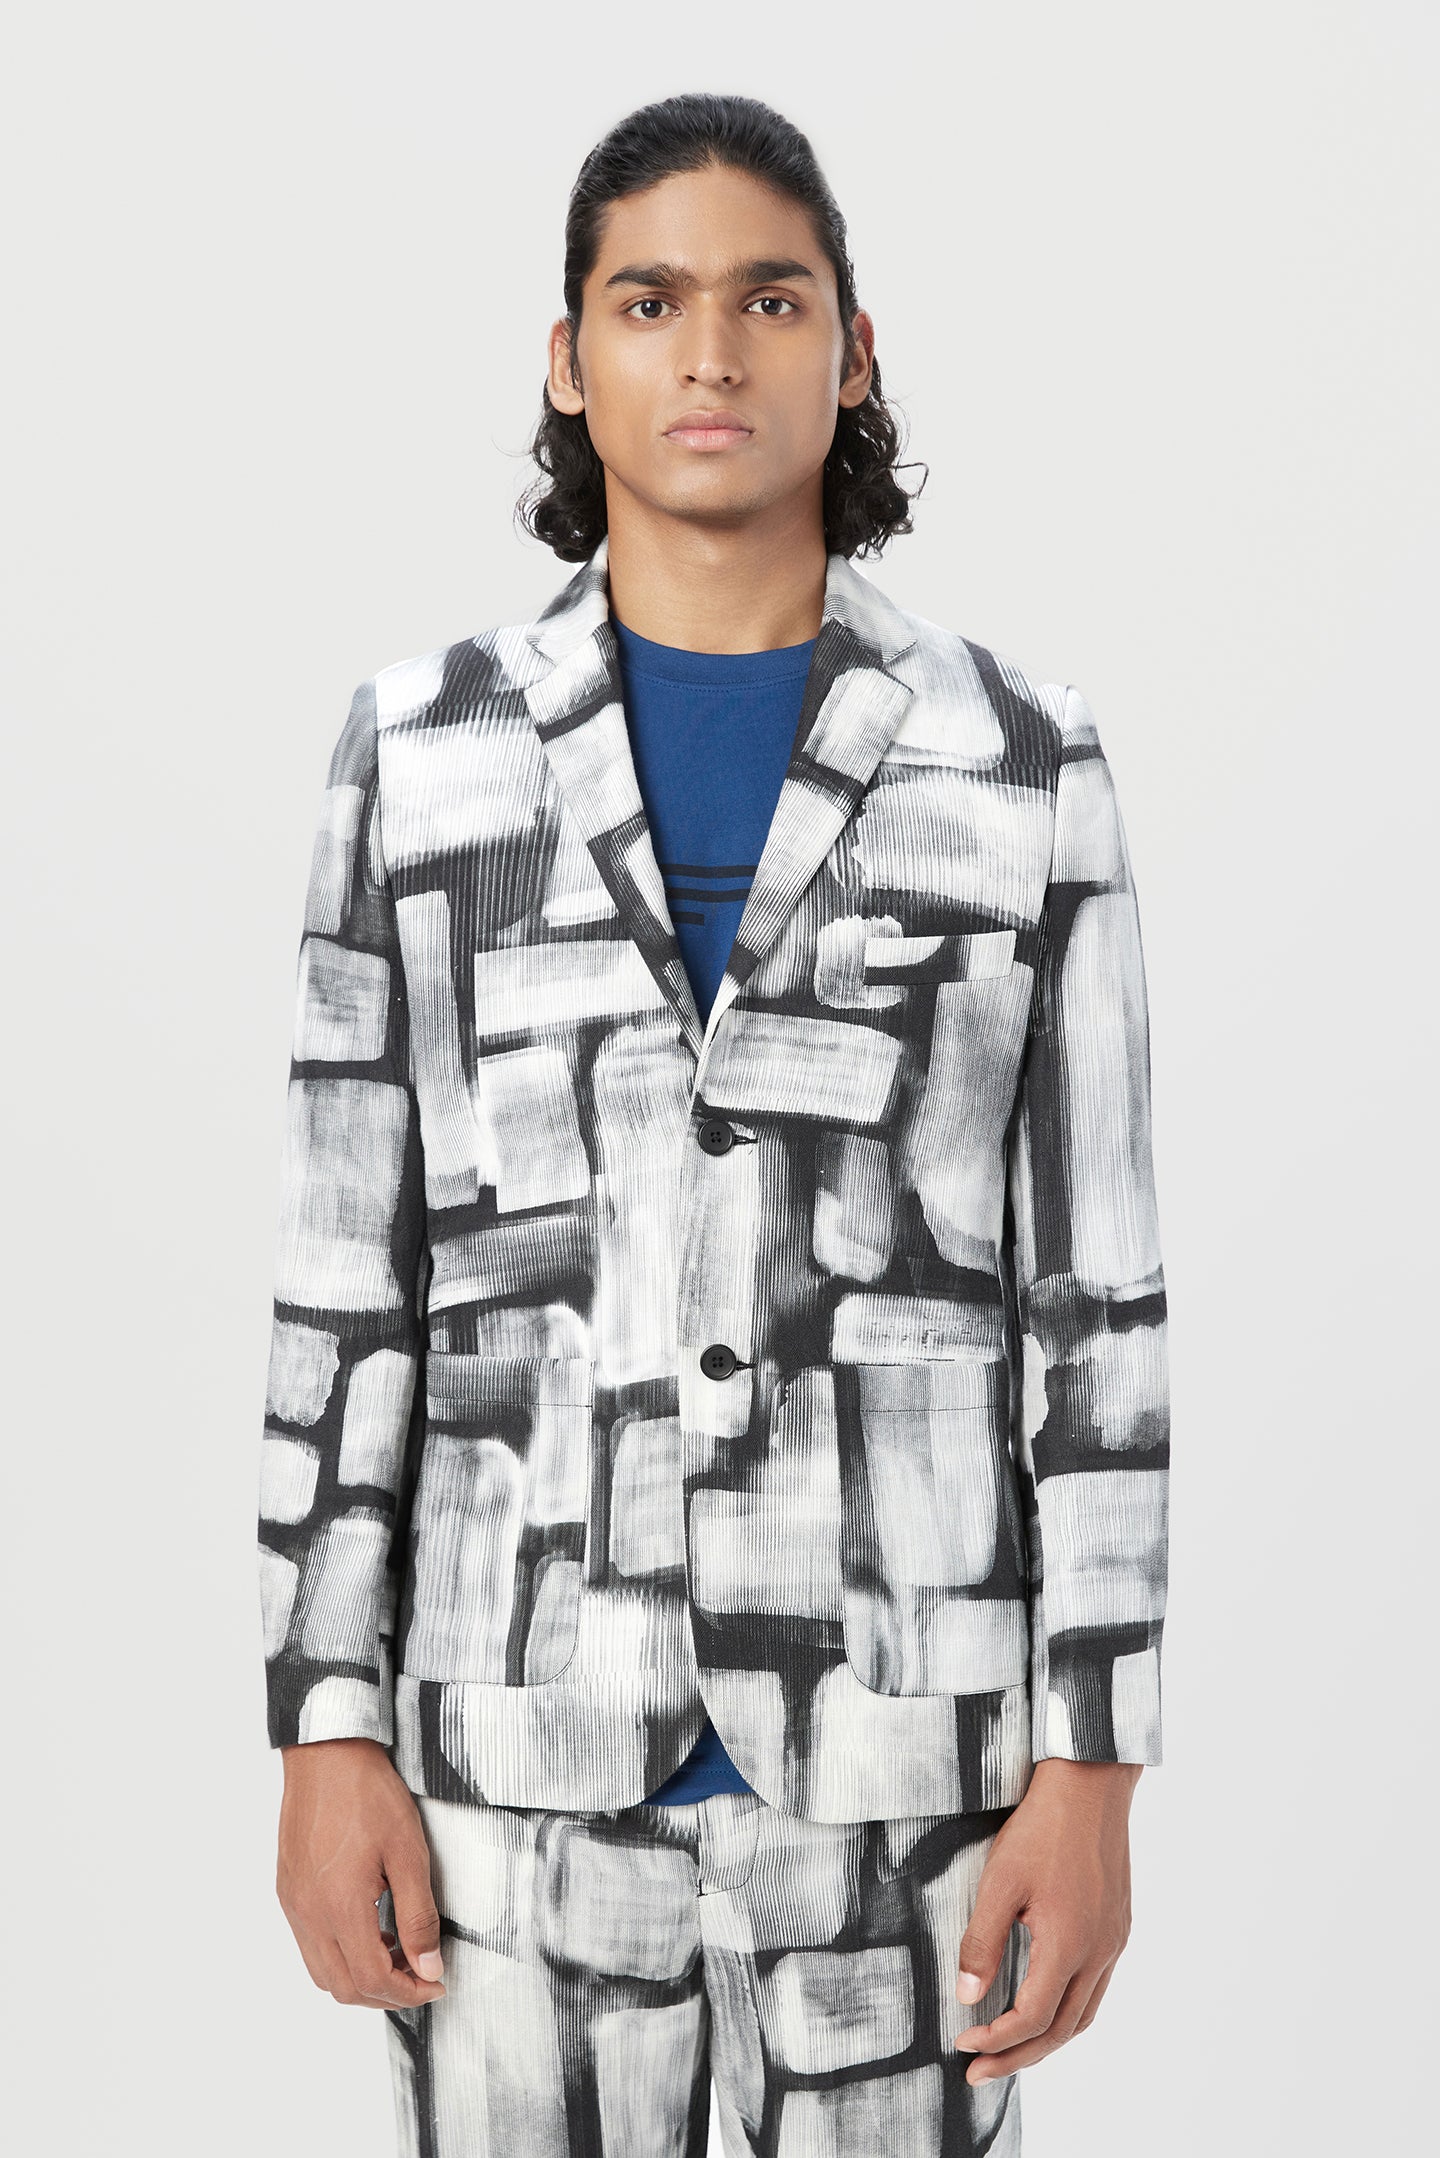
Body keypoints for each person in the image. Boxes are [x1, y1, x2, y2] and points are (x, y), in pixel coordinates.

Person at [257, 90, 1169, 2158]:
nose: (712, 353)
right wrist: (322, 1722)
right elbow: (345, 1280)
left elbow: (1096, 1300)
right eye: (650, 301)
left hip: (908, 1775)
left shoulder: (1024, 761)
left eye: (771, 299)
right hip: (511, 1767)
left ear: (853, 350)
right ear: (568, 359)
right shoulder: (419, 753)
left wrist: (1095, 1764)